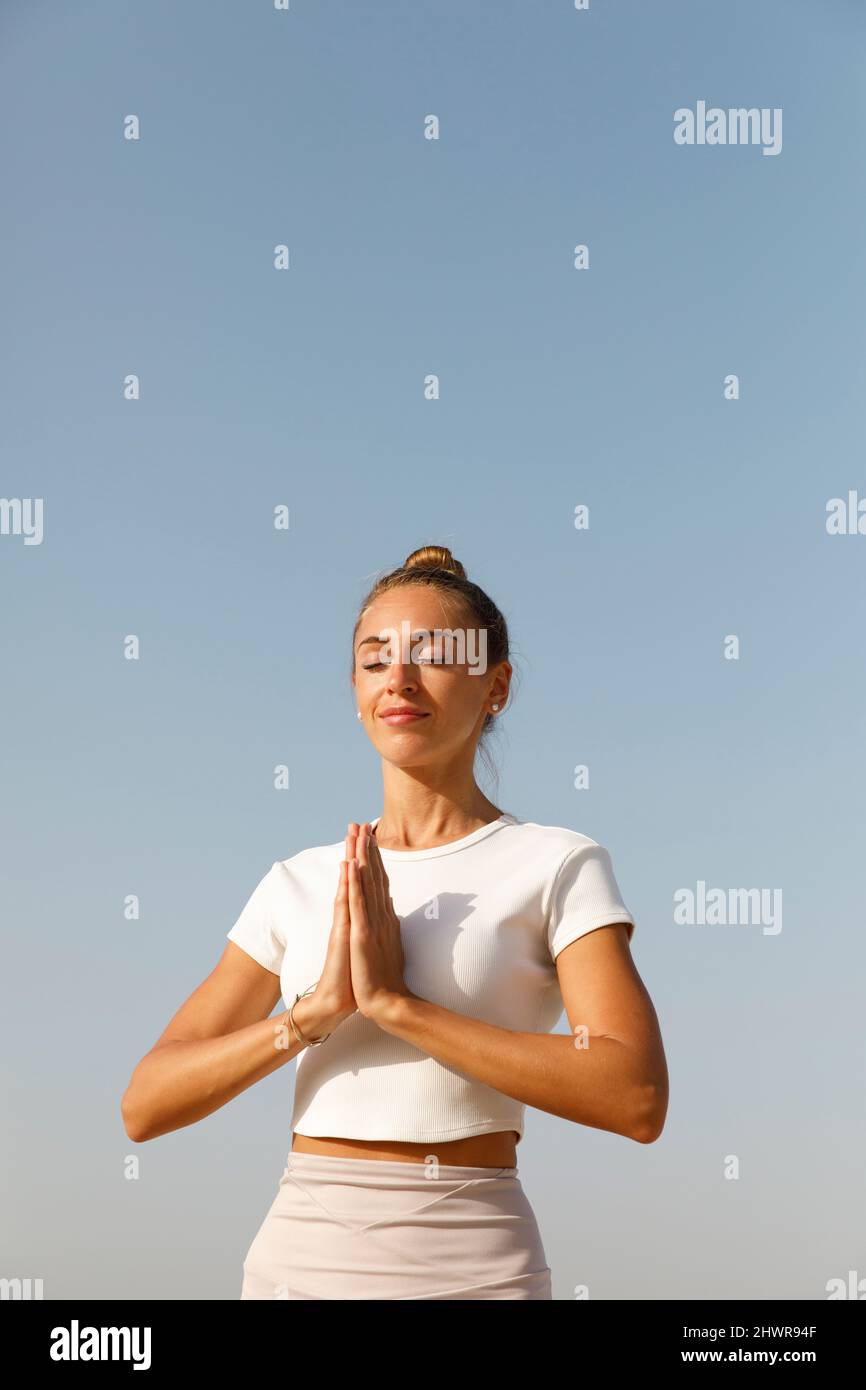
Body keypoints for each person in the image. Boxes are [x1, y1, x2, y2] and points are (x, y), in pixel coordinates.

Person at [121, 544, 669, 1300]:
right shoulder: (301, 880)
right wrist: (313, 1015)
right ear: (354, 689)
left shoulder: (556, 864)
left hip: (477, 1264)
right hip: (298, 1264)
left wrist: (399, 1008)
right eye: (375, 660)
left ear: (496, 687)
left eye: (434, 656)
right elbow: (145, 1105)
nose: (399, 680)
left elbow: (635, 1096)